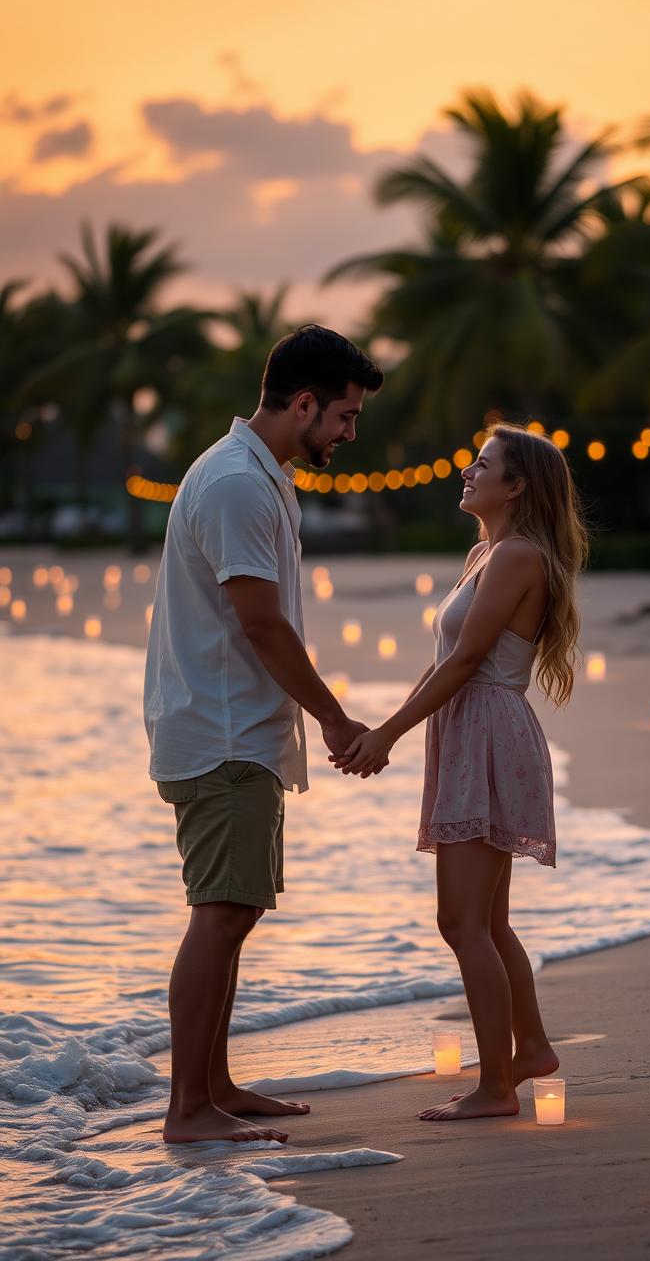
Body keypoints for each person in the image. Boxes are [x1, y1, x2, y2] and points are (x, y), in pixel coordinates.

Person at [144, 324, 384, 1144]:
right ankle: (188, 1110)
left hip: (235, 728)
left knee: (235, 909)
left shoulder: (256, 473)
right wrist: (336, 717)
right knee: (221, 910)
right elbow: (262, 625)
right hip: (221, 734)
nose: (350, 433)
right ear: (305, 403)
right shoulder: (236, 485)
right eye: (345, 416)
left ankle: (215, 1085)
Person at [334, 423, 587, 1120]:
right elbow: (445, 659)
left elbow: (470, 659)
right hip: (469, 728)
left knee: (461, 921)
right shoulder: (486, 552)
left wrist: (390, 733)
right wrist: (380, 728)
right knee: (487, 919)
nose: (466, 473)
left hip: (487, 732)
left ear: (517, 485)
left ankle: (497, 1087)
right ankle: (529, 1047)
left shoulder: (516, 557)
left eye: (483, 465)